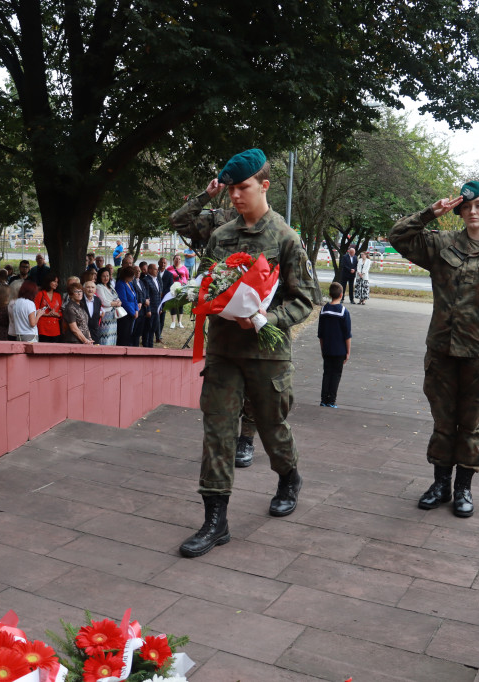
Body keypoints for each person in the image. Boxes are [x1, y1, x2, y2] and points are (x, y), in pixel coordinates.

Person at [170, 148, 318, 558]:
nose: (235, 195)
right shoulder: (221, 236)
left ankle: (288, 476)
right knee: (217, 432)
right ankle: (215, 521)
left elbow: (306, 299)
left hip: (266, 355)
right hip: (223, 351)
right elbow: (211, 284)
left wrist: (266, 319)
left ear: (264, 185)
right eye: (232, 188)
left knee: (272, 427)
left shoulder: (285, 238)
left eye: (243, 187)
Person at [389, 180, 479, 518]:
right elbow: (398, 238)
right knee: (443, 422)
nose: (472, 211)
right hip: (442, 353)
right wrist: (429, 214)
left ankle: (463, 488)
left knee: (471, 425)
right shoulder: (442, 243)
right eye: (466, 207)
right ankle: (440, 484)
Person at [317, 282, 352, 408]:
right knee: (336, 374)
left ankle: (323, 399)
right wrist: (348, 351)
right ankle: (331, 400)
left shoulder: (323, 310)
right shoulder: (343, 312)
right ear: (341, 295)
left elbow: (320, 333)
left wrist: (322, 348)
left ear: (330, 294)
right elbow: (347, 335)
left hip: (327, 348)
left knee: (326, 373)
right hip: (339, 350)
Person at [114, 265, 139, 346]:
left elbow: (134, 297)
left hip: (132, 312)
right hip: (125, 314)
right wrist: (133, 312)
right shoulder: (120, 284)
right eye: (132, 276)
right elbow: (124, 301)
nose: (133, 278)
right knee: (124, 336)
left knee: (130, 335)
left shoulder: (129, 283)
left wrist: (136, 310)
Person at [95, 267, 121, 346]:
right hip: (106, 315)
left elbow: (117, 297)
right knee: (105, 337)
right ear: (100, 277)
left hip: (113, 315)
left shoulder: (111, 286)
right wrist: (116, 303)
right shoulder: (99, 287)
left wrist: (118, 302)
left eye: (107, 276)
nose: (106, 278)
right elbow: (104, 302)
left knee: (112, 336)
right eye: (103, 276)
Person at [35, 273, 63, 342]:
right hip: (42, 327)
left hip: (55, 328)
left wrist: (58, 315)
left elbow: (61, 311)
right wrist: (46, 314)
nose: (56, 284)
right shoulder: (40, 294)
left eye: (57, 282)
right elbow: (35, 310)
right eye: (54, 281)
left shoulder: (58, 295)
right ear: (48, 282)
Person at [141, 263, 162, 347]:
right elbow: (147, 296)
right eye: (155, 269)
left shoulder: (156, 279)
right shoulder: (146, 280)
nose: (157, 270)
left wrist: (160, 308)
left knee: (153, 329)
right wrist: (148, 309)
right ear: (150, 270)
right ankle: (146, 346)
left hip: (156, 309)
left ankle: (151, 345)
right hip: (150, 310)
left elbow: (159, 294)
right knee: (147, 329)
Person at [166, 255, 190, 329]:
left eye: (179, 259)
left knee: (180, 304)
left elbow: (187, 277)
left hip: (182, 288)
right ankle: (173, 322)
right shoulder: (169, 268)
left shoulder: (184, 268)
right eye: (176, 259)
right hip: (173, 289)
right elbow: (166, 278)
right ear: (173, 259)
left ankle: (179, 322)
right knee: (173, 304)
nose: (178, 260)